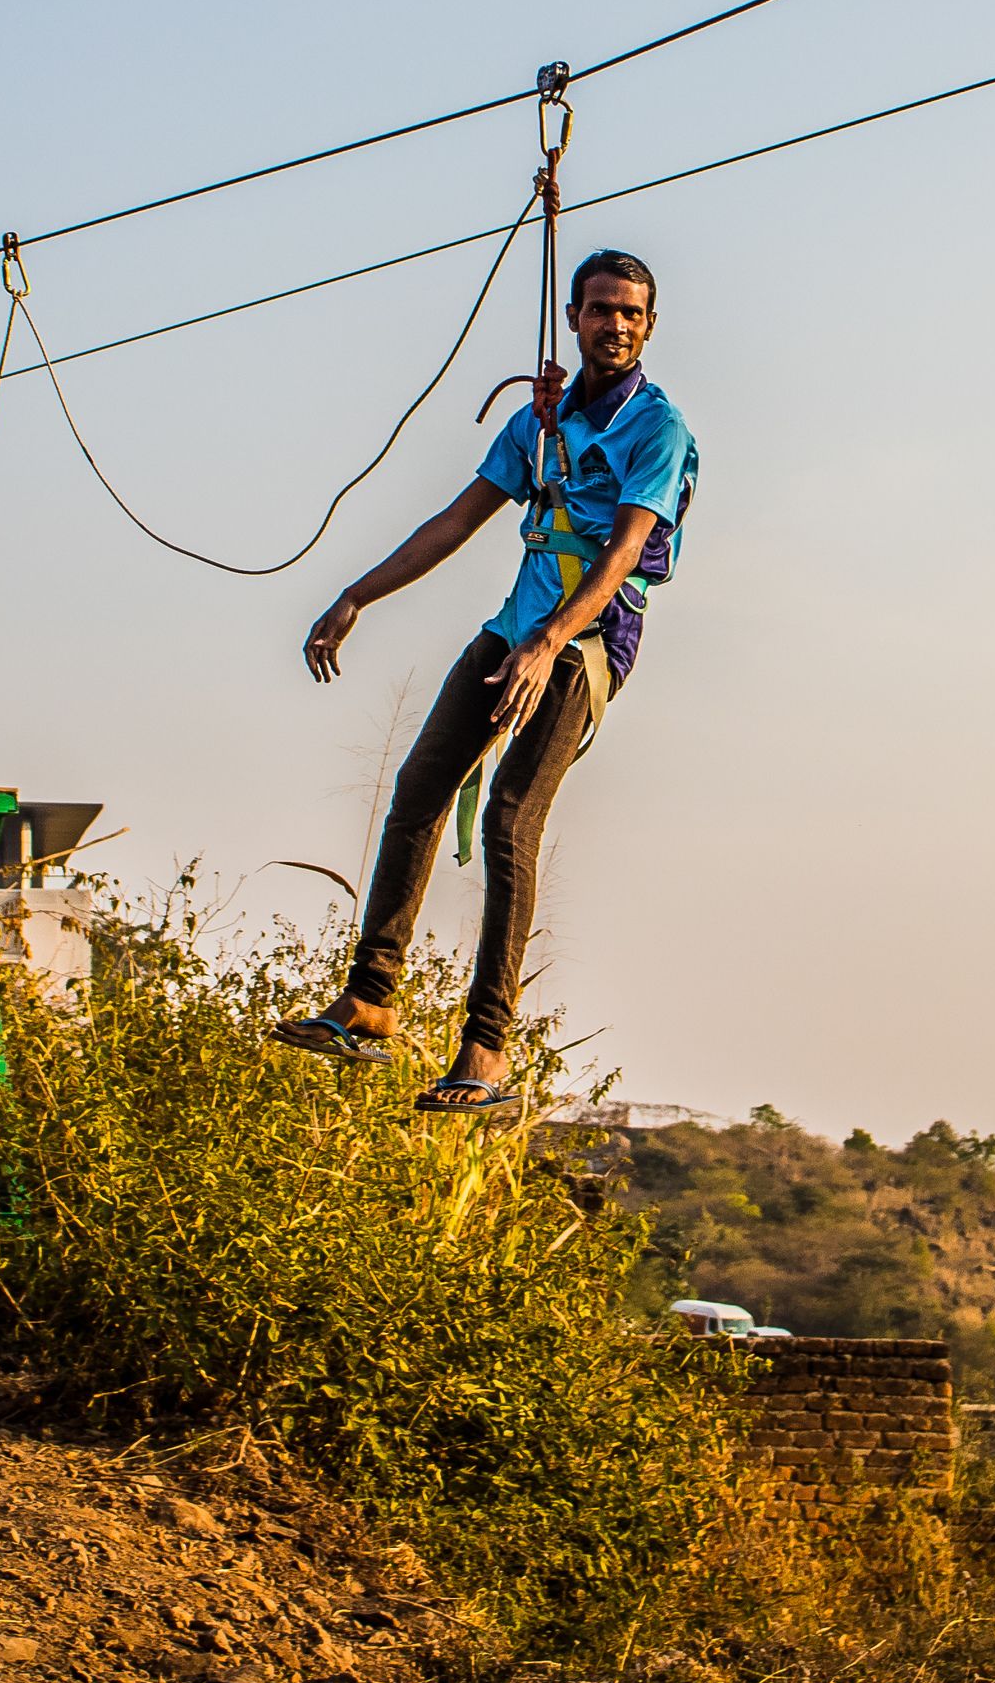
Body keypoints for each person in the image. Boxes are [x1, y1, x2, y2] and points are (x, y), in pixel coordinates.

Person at [273, 251, 696, 1112]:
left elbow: (619, 557)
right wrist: (359, 594)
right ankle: (369, 1003)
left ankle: (487, 1048)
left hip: (583, 645)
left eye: (631, 313)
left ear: (649, 326)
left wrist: (549, 646)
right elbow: (458, 519)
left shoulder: (657, 427)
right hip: (514, 630)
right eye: (600, 310)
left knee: (510, 819)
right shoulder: (539, 424)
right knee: (420, 786)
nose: (615, 324)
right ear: (573, 318)